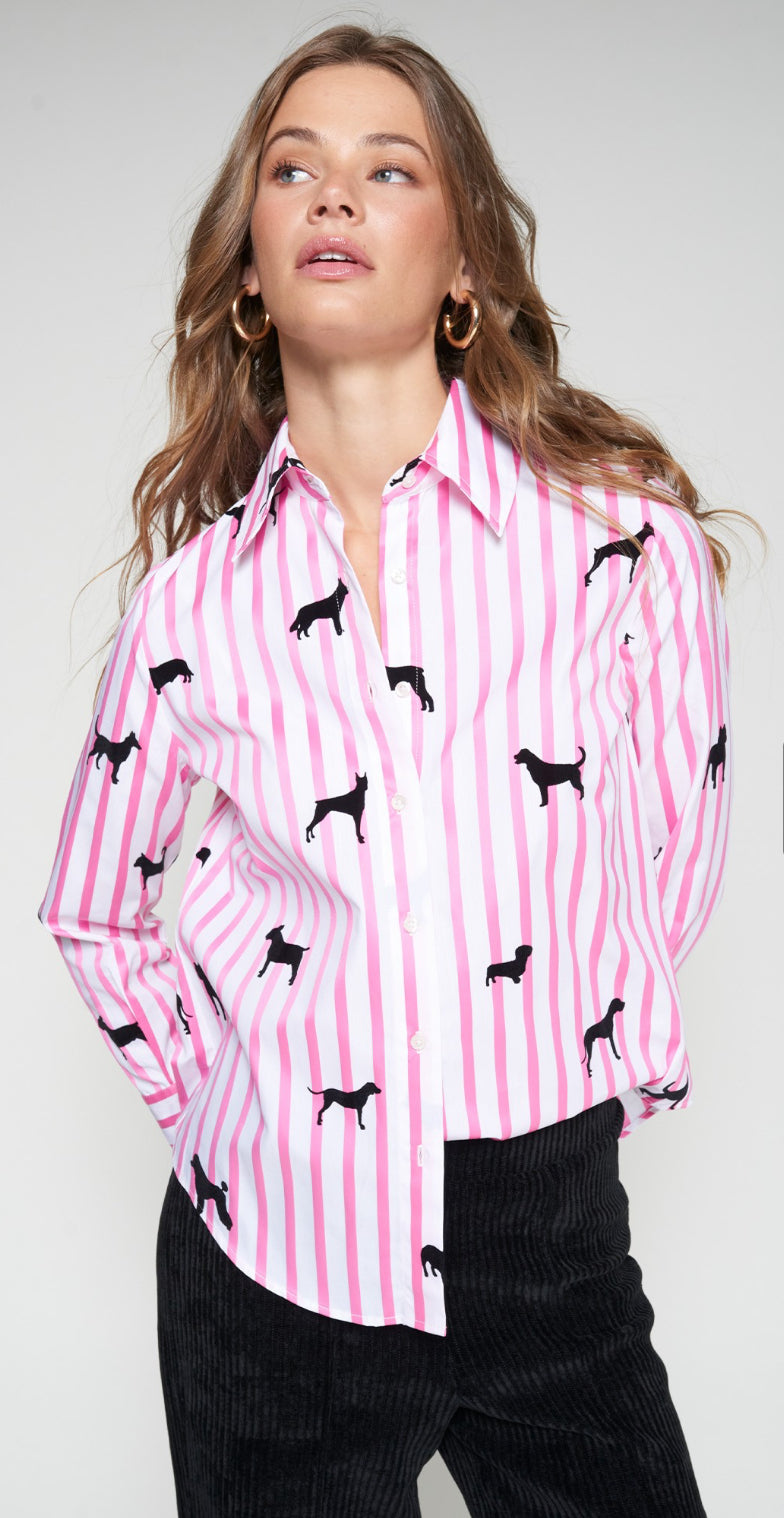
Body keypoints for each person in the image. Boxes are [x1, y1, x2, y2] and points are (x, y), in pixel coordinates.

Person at [37, 21, 754, 1518]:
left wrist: (546, 1087)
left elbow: (666, 866)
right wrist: (232, 1115)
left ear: (466, 264)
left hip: (542, 1224)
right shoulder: (195, 606)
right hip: (269, 1255)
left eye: (390, 169)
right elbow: (92, 906)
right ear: (249, 274)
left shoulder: (623, 545)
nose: (335, 197)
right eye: (293, 169)